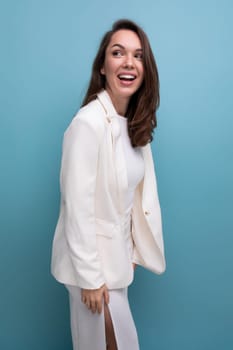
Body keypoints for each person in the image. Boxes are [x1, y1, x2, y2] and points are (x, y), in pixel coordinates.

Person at [51, 19, 166, 350]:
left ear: (145, 68)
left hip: (116, 268)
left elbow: (130, 200)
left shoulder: (134, 128)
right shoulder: (87, 124)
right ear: (103, 66)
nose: (129, 62)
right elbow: (77, 205)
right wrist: (90, 278)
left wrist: (131, 251)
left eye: (138, 55)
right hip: (90, 272)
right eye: (118, 53)